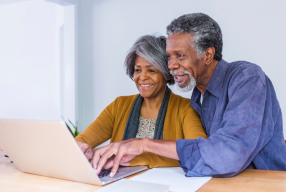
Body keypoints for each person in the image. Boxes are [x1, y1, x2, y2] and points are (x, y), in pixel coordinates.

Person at [91, 13, 286, 178]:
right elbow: (201, 154)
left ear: (208, 55)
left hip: (265, 183)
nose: (171, 65)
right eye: (169, 56)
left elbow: (227, 156)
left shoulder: (247, 78)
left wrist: (144, 144)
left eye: (180, 55)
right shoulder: (199, 96)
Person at [75, 35, 207, 170]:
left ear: (167, 73)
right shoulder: (119, 105)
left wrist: (129, 158)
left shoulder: (186, 109)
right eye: (138, 70)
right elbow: (82, 140)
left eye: (151, 70)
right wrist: (83, 149)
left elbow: (199, 152)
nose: (142, 77)